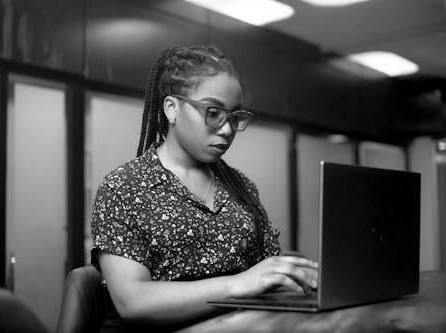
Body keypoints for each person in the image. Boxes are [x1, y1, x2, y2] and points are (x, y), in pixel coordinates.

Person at [90, 45, 318, 332]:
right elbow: (132, 301)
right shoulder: (124, 187)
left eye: (235, 117)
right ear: (172, 109)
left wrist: (291, 271)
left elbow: (265, 270)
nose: (226, 130)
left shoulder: (241, 186)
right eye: (213, 113)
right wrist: (240, 283)